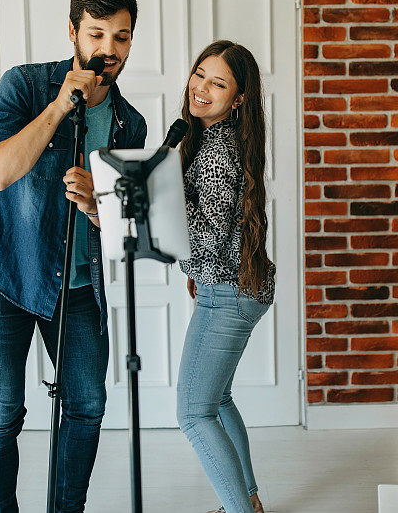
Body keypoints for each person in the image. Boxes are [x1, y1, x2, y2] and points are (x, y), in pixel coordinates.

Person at [0, 0, 145, 511]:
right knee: (2, 415)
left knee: (86, 406)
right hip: (5, 278)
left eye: (122, 37)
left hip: (79, 283)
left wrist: (96, 206)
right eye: (97, 35)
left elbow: (128, 225)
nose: (109, 50)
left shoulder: (132, 123)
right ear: (73, 33)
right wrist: (61, 107)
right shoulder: (23, 85)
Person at [175, 40, 276, 513]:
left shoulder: (217, 151)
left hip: (227, 292)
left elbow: (208, 239)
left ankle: (240, 511)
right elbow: (222, 229)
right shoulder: (221, 139)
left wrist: (169, 203)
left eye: (219, 83)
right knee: (218, 400)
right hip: (239, 287)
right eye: (200, 75)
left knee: (194, 413)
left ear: (237, 99)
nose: (202, 88)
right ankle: (249, 502)